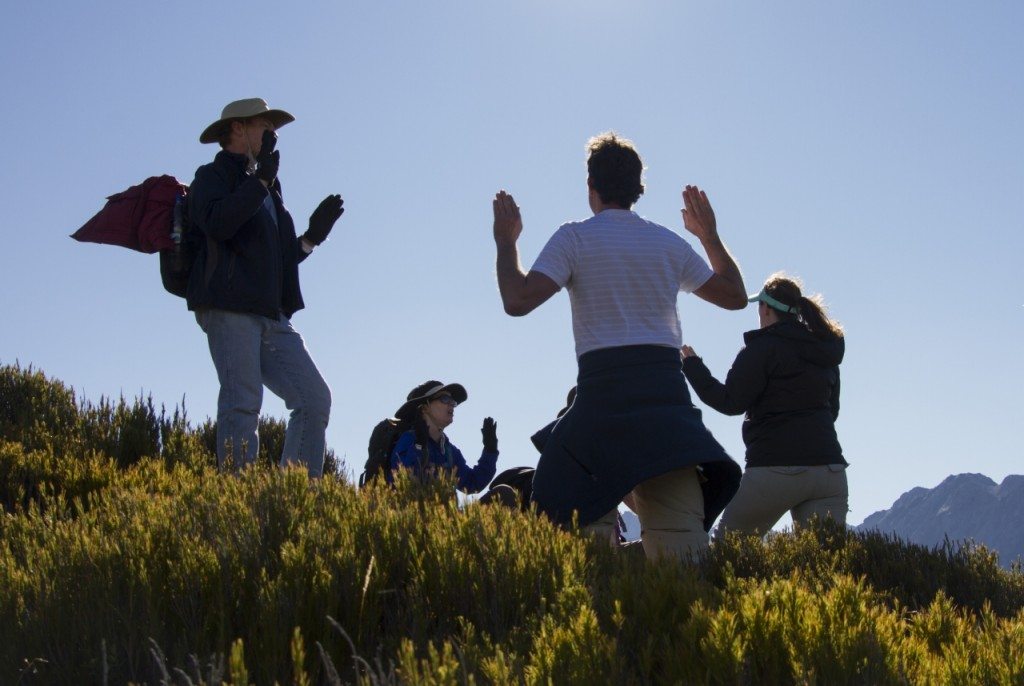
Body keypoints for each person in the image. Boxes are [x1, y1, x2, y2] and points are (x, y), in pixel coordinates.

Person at [491, 132, 746, 561]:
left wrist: (506, 242)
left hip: (601, 412)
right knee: (683, 564)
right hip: (668, 414)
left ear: (591, 188)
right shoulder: (668, 243)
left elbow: (516, 301)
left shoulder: (574, 238)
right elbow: (735, 296)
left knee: (584, 555)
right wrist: (709, 236)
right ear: (638, 190)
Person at [187, 98, 345, 477]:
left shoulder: (270, 187)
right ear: (238, 129)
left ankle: (292, 502)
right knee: (243, 402)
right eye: (266, 127)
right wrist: (258, 183)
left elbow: (277, 261)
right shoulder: (212, 176)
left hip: (271, 313)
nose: (274, 135)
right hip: (229, 308)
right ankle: (236, 504)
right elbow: (218, 224)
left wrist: (310, 239)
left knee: (313, 398)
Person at [681, 273, 848, 536]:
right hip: (829, 471)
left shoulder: (762, 348)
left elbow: (731, 402)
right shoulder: (824, 351)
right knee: (824, 564)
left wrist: (692, 367)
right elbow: (832, 411)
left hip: (775, 467)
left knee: (729, 549)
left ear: (766, 308)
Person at [389, 380, 499, 494]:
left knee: (504, 492)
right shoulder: (408, 440)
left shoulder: (449, 451)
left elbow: (472, 483)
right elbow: (401, 484)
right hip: (416, 511)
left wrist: (490, 450)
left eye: (452, 401)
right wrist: (419, 447)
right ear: (424, 407)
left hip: (445, 511)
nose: (451, 404)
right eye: (445, 399)